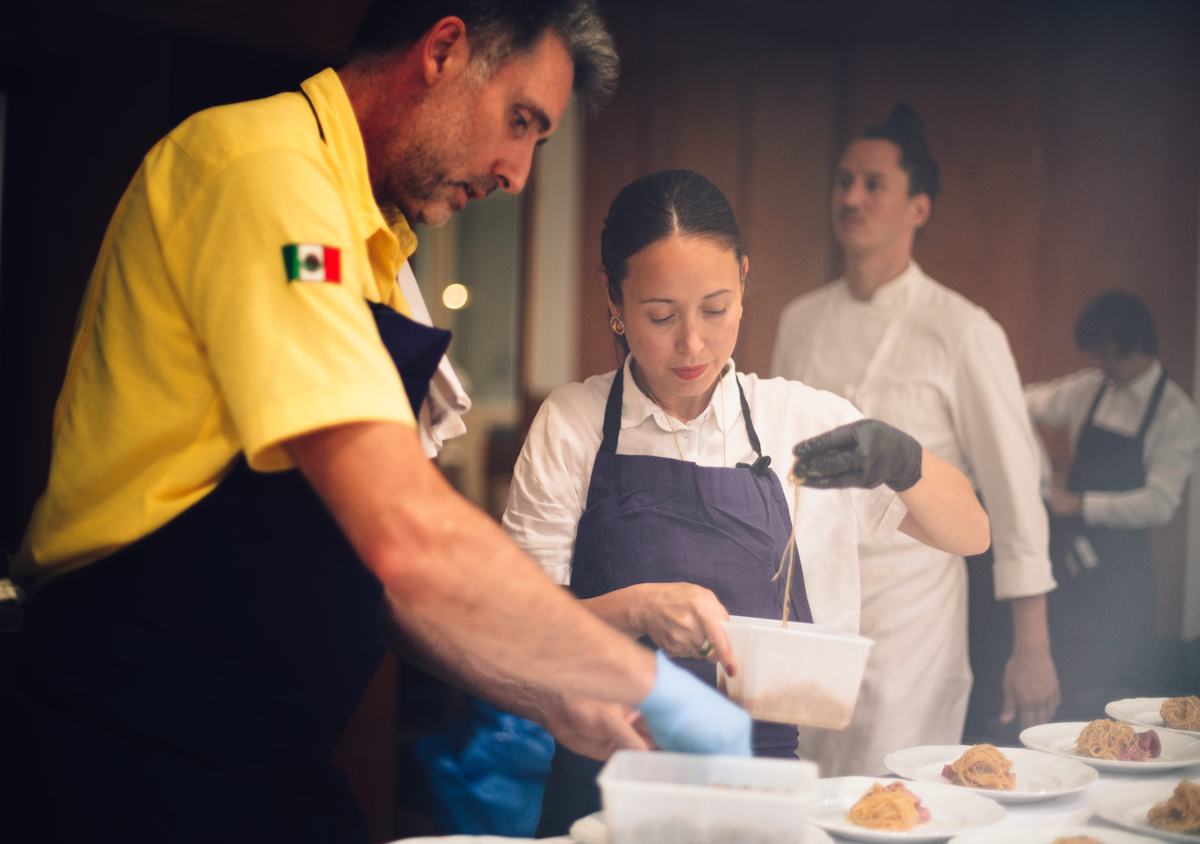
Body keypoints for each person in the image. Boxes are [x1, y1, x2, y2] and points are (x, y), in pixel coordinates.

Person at [0, 5, 752, 842]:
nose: (517, 174)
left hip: (263, 771)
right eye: (520, 121)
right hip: (131, 757)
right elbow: (406, 532)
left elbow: (381, 580)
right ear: (442, 51)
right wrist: (643, 679)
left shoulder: (370, 247)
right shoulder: (263, 175)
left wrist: (554, 699)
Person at [502, 169, 990, 834]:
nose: (692, 344)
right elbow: (520, 632)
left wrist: (903, 459)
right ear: (613, 299)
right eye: (660, 315)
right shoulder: (573, 422)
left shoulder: (799, 419)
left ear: (744, 282)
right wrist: (638, 607)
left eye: (715, 307)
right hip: (604, 796)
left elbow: (969, 533)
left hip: (761, 798)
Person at [770, 104, 1060, 776]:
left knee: (891, 795)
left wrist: (1032, 644)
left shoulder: (962, 330)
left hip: (912, 616)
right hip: (811, 602)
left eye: (873, 184)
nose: (851, 197)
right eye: (844, 181)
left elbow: (1016, 494)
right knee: (802, 788)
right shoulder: (799, 319)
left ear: (918, 209)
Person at [1026, 290, 1200, 712]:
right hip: (1068, 569)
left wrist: (1082, 504)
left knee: (1113, 695)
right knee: (1061, 678)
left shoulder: (1176, 413)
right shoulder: (1088, 389)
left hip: (1122, 582)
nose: (1100, 363)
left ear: (1133, 343)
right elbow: (1016, 404)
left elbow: (1159, 503)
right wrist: (1035, 473)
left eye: (1107, 353)